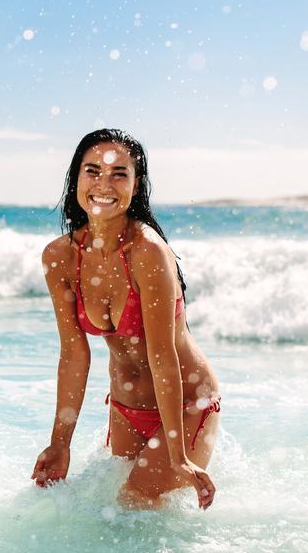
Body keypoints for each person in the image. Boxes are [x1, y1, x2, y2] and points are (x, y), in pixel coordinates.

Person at [31, 129, 221, 510]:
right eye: (92, 171)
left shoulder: (147, 252)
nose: (104, 184)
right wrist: (59, 443)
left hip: (184, 406)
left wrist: (178, 453)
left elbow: (162, 355)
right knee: (104, 515)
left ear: (136, 186)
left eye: (119, 173)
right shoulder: (60, 258)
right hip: (124, 409)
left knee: (131, 507)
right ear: (76, 179)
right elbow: (73, 354)